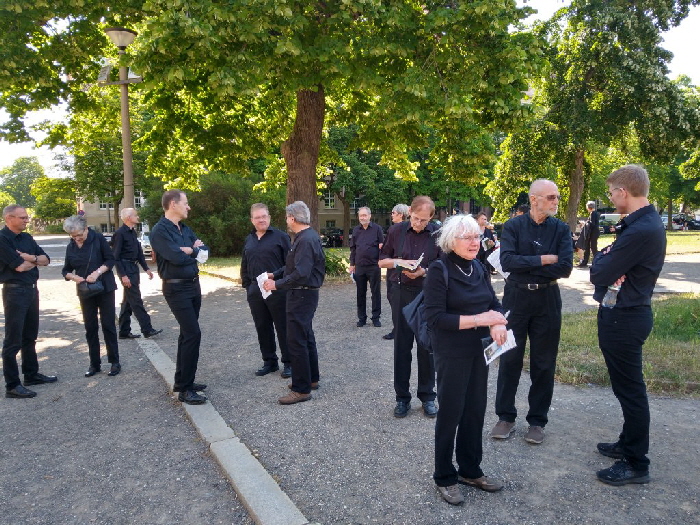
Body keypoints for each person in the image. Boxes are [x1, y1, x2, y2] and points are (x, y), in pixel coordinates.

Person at [424, 215, 508, 505]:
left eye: (477, 236)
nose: (475, 242)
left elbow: (493, 303)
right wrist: (479, 320)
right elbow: (435, 318)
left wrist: (497, 322)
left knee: (475, 411)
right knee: (451, 414)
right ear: (451, 241)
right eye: (467, 238)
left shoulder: (479, 267)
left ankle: (470, 470)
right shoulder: (439, 269)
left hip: (479, 351)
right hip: (451, 352)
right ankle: (444, 476)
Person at [590, 165, 665, 486]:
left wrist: (605, 261)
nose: (609, 197)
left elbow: (599, 272)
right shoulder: (641, 224)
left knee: (631, 391)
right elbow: (607, 261)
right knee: (625, 389)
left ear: (623, 192)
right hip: (622, 313)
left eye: (610, 192)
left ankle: (637, 462)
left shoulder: (641, 230)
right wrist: (607, 259)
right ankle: (627, 443)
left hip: (626, 317)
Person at [491, 179, 573, 444]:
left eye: (557, 197)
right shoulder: (513, 226)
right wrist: (542, 259)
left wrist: (529, 265)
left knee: (544, 362)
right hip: (516, 298)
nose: (556, 201)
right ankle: (505, 417)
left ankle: (537, 421)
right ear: (534, 199)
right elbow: (507, 262)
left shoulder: (560, 229)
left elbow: (565, 268)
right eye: (551, 197)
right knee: (509, 358)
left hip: (547, 299)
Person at [379, 196, 441, 419]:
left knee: (427, 346)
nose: (419, 224)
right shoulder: (397, 231)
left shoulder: (436, 234)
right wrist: (399, 262)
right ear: (409, 213)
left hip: (427, 294)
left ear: (431, 217)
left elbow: (444, 263)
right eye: (415, 218)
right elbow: (382, 260)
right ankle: (402, 398)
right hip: (401, 292)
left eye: (424, 220)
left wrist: (423, 270)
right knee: (402, 347)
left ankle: (428, 396)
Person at [263, 201, 325, 405]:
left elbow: (301, 273)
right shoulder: (306, 237)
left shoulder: (305, 240)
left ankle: (301, 389)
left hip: (301, 294)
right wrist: (276, 273)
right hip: (303, 294)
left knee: (297, 340)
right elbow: (292, 265)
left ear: (292, 218)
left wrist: (276, 284)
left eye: (287, 217)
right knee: (306, 337)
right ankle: (311, 378)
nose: (286, 221)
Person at [150, 190, 209, 405]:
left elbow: (204, 251)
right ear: (173, 204)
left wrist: (190, 250)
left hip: (193, 285)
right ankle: (185, 389)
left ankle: (184, 381)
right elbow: (175, 257)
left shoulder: (184, 228)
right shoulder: (159, 231)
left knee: (187, 334)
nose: (189, 207)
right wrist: (191, 251)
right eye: (186, 203)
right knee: (193, 333)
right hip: (176, 289)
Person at [1, 205, 57, 398]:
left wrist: (29, 258)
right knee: (13, 340)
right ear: (9, 218)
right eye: (23, 217)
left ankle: (31, 374)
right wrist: (33, 261)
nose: (27, 220)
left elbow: (46, 259)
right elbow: (19, 267)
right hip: (14, 292)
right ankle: (12, 385)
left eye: (26, 217)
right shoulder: (3, 239)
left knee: (30, 336)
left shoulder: (27, 238)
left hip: (32, 290)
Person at [62, 215, 121, 377]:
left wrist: (97, 272)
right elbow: (65, 270)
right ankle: (94, 364)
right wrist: (74, 277)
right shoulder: (71, 246)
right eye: (73, 237)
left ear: (86, 229)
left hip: (104, 287)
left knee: (108, 325)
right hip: (85, 290)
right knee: (90, 327)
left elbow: (110, 260)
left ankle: (114, 362)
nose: (77, 239)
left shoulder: (98, 239)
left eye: (79, 235)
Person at [241, 203, 292, 378]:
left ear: (269, 217)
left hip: (277, 288)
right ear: (252, 220)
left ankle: (289, 363)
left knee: (282, 326)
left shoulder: (281, 237)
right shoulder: (249, 239)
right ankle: (269, 362)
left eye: (264, 216)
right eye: (257, 217)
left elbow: (290, 265)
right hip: (255, 291)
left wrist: (275, 277)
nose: (261, 220)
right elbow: (245, 264)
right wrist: (248, 287)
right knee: (262, 327)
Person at [112, 208, 162, 340]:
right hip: (126, 269)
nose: (137, 216)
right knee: (136, 300)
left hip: (133, 269)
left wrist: (146, 268)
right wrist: (123, 275)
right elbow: (115, 257)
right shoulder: (120, 233)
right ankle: (147, 329)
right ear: (128, 217)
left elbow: (138, 252)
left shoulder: (133, 232)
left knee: (127, 302)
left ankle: (123, 331)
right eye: (135, 215)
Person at [349, 206, 384, 328]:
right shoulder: (356, 231)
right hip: (360, 266)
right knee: (360, 293)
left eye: (365, 215)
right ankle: (362, 318)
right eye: (360, 216)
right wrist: (352, 264)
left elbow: (382, 246)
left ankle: (376, 318)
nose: (363, 218)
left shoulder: (377, 229)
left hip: (374, 266)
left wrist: (381, 260)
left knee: (375, 292)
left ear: (369, 216)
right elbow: (353, 248)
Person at [383, 203, 409, 340]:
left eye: (393, 213)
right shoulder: (394, 230)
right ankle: (398, 328)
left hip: (397, 271)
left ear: (400, 214)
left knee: (395, 300)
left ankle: (398, 329)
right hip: (393, 269)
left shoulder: (397, 230)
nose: (391, 215)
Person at [577, 201, 600, 268]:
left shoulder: (593, 213)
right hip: (592, 233)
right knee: (588, 247)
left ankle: (596, 262)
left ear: (588, 207)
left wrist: (585, 223)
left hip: (593, 233)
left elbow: (592, 224)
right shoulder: (595, 213)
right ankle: (585, 262)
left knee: (593, 247)